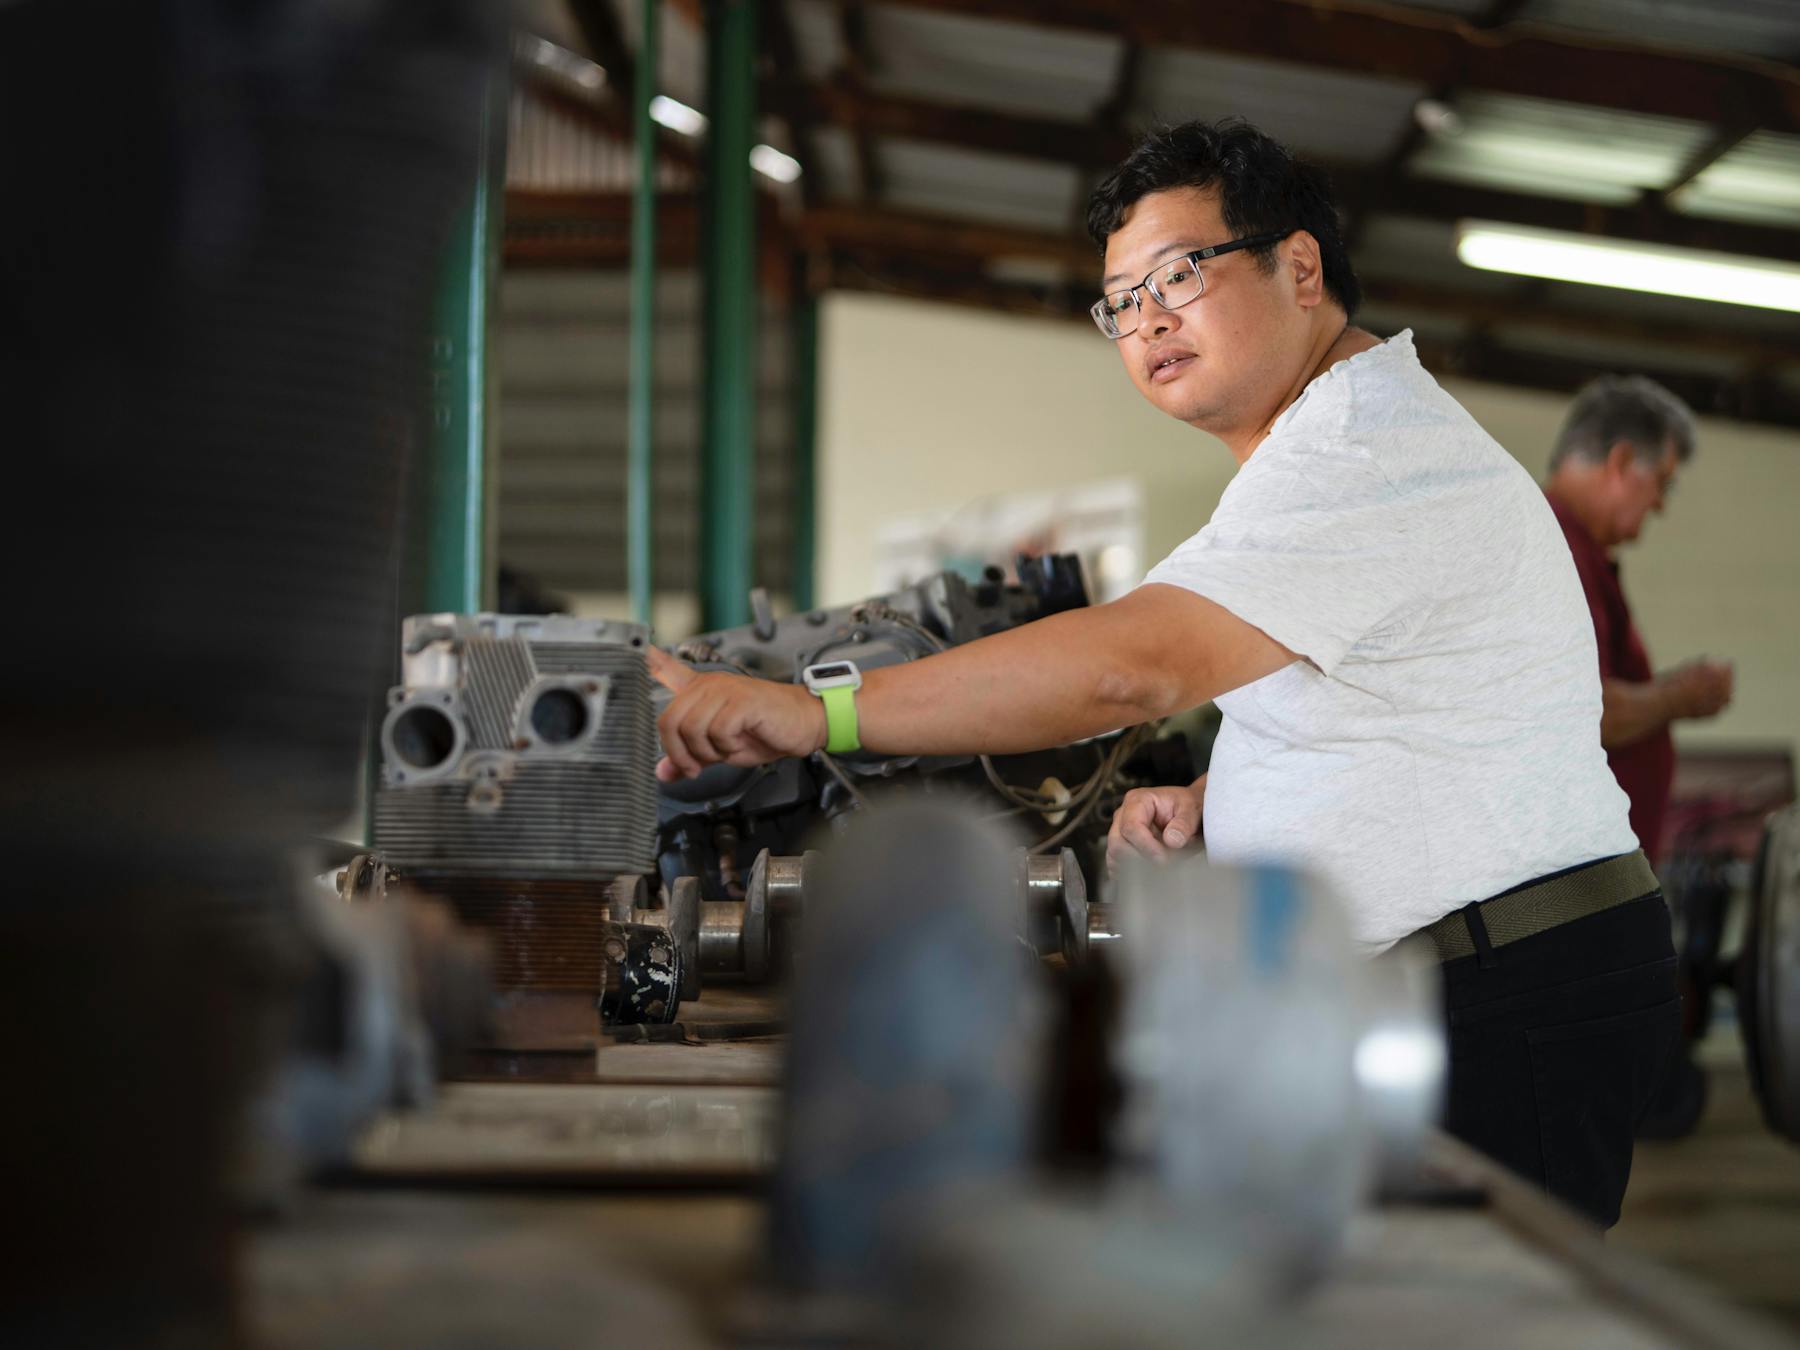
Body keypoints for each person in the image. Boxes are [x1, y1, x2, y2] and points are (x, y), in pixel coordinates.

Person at [647, 119, 1677, 1228]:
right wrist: (1220, 800)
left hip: (1501, 994)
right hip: (1462, 974)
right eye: (1119, 302)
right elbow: (1404, 705)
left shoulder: (1365, 455)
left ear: (1300, 266)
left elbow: (1134, 669)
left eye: (1178, 275)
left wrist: (815, 715)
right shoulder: (1324, 451)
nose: (1147, 322)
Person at [1543, 376, 1733, 864]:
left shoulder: (1576, 549)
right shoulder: (1561, 549)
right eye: (1662, 483)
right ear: (1623, 462)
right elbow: (1586, 708)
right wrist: (1679, 695)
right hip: (1578, 875)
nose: (1661, 505)